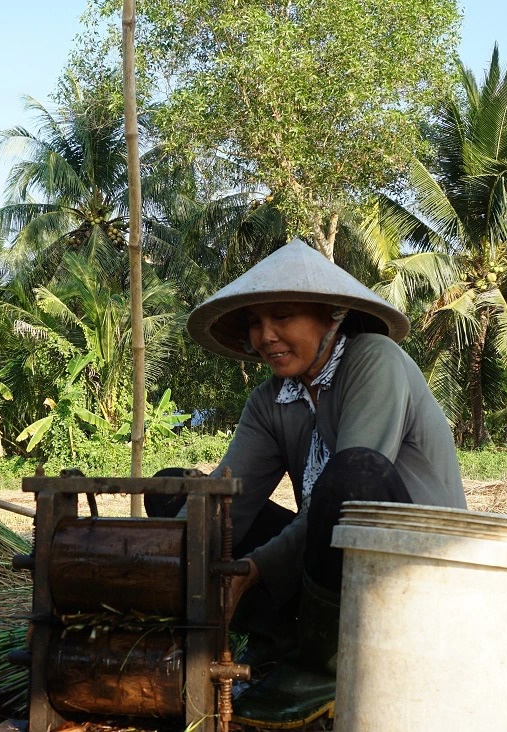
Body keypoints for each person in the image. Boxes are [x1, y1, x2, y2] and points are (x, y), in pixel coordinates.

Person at [164, 237, 466, 728]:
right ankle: (284, 642)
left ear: (332, 316)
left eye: (282, 317)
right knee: (183, 499)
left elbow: (349, 495)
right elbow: (228, 497)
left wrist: (256, 569)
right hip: (327, 563)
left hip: (409, 572)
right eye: (256, 324)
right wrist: (161, 561)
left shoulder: (374, 361)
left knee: (351, 475)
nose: (266, 336)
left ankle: (324, 667)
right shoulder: (270, 401)